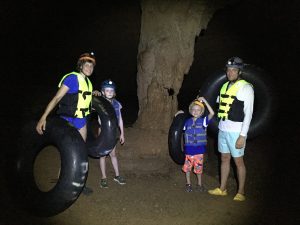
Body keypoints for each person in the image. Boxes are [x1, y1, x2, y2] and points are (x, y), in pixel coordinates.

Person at [36, 52, 97, 195]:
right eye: (86, 65)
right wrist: (43, 117)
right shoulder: (71, 78)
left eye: (91, 66)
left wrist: (94, 93)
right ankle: (61, 181)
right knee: (68, 152)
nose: (89, 68)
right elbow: (57, 98)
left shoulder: (88, 83)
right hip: (67, 121)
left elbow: (84, 99)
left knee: (81, 153)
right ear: (80, 65)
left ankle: (79, 185)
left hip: (81, 120)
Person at [208, 57, 254, 201]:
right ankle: (222, 189)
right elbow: (220, 103)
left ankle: (241, 192)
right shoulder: (224, 86)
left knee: (238, 161)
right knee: (224, 158)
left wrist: (243, 135)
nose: (230, 72)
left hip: (236, 131)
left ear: (239, 71)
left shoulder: (246, 87)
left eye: (233, 70)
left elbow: (249, 113)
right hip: (223, 128)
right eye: (228, 70)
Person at [97, 79, 126, 188]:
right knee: (103, 155)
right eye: (107, 90)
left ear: (114, 92)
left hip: (113, 132)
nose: (109, 92)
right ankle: (103, 178)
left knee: (113, 154)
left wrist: (122, 133)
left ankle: (117, 176)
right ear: (103, 92)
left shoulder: (117, 104)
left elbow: (120, 120)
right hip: (103, 132)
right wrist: (95, 94)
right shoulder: (100, 103)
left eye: (111, 90)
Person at [182, 97, 214, 192]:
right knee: (187, 168)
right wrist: (179, 114)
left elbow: (212, 113)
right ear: (191, 110)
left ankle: (199, 184)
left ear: (201, 112)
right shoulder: (187, 122)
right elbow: (183, 135)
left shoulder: (204, 121)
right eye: (194, 109)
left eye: (198, 110)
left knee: (198, 169)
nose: (196, 112)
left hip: (199, 151)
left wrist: (204, 101)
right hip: (189, 151)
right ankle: (188, 184)